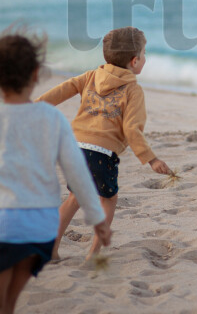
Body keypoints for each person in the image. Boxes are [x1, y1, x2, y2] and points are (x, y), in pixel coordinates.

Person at [0, 33, 111, 314]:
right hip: (41, 230)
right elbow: (78, 173)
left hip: (2, 224)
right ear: (36, 74)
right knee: (8, 303)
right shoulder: (52, 118)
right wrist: (96, 217)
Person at [36, 26, 172, 259]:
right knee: (108, 200)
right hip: (102, 153)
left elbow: (62, 90)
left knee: (74, 198)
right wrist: (151, 159)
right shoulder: (133, 90)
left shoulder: (91, 76)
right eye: (144, 54)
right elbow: (132, 130)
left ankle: (51, 248)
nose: (145, 58)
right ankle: (93, 253)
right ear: (135, 60)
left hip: (75, 148)